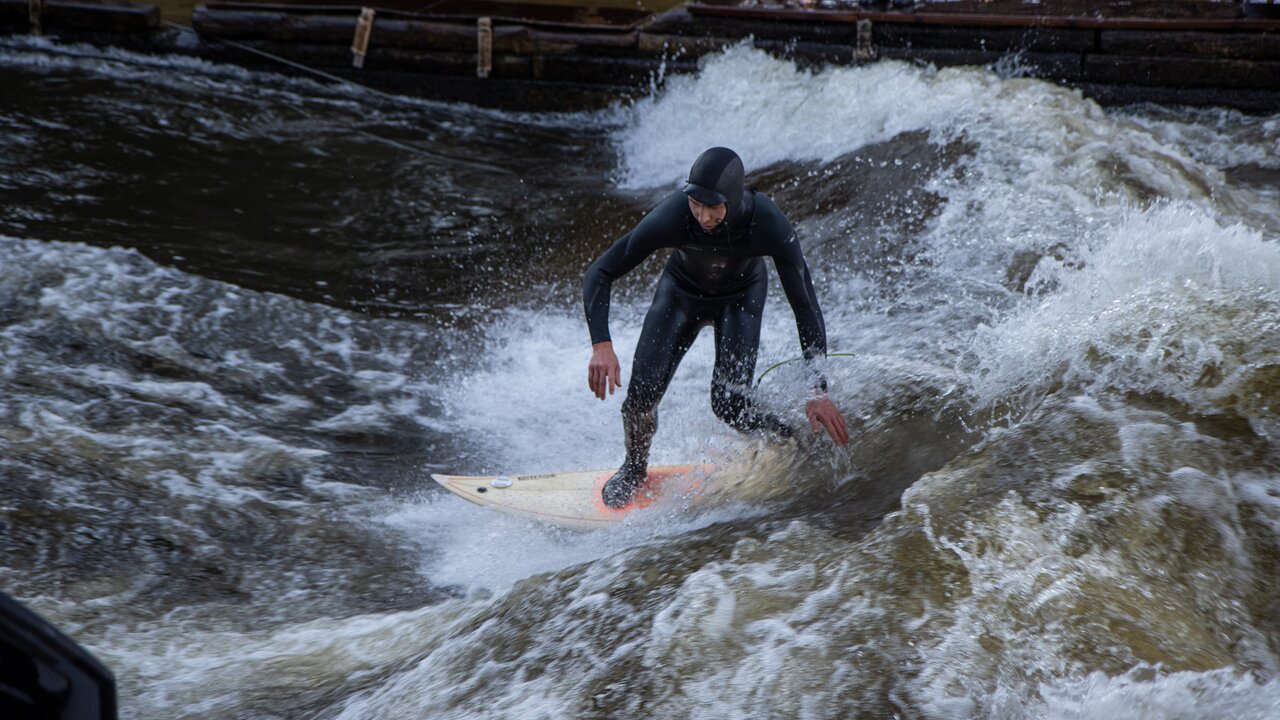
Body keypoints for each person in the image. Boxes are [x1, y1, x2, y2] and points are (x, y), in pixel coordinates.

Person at [583, 147, 849, 508]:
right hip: (680, 294)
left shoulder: (768, 224)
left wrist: (818, 389)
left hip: (740, 297)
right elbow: (601, 271)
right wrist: (601, 344)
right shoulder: (674, 215)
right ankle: (634, 468)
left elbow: (805, 305)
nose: (703, 217)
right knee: (639, 400)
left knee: (730, 404)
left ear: (734, 200)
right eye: (696, 204)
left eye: (713, 207)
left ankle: (793, 442)